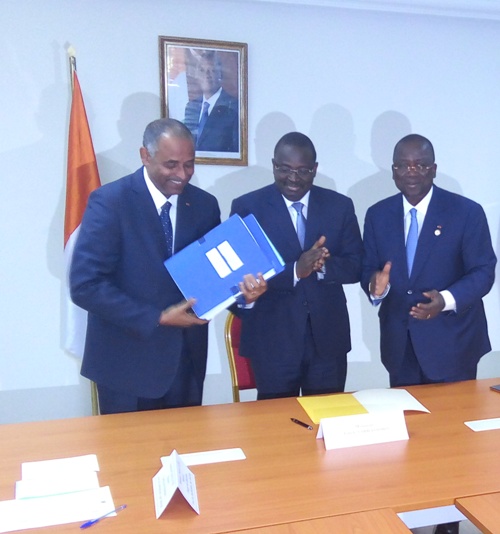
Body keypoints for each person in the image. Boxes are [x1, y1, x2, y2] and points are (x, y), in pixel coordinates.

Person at [70, 118, 265, 415]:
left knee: (183, 443)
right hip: (125, 366)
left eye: (189, 164)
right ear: (145, 156)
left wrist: (245, 297)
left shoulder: (204, 205)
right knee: (129, 446)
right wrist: (157, 318)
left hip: (185, 365)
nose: (182, 175)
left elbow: (213, 278)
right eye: (171, 165)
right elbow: (86, 285)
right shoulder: (110, 202)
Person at [362, 133, 496, 534]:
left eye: (420, 165)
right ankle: (415, 512)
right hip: (400, 344)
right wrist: (375, 287)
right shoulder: (378, 214)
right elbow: (370, 270)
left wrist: (447, 300)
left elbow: (484, 271)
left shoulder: (465, 212)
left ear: (434, 169)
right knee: (409, 438)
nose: (411, 172)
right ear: (392, 171)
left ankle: (449, 523)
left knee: (451, 442)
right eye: (403, 165)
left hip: (453, 343)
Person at [230, 132, 363, 399]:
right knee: (276, 421)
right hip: (272, 342)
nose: (293, 178)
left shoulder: (339, 206)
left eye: (303, 170)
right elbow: (240, 275)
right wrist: (295, 270)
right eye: (285, 169)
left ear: (315, 169)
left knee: (327, 418)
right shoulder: (248, 207)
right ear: (273, 165)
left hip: (327, 342)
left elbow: (356, 265)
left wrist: (322, 266)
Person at [184, 50, 239, 152]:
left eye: (212, 70)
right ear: (197, 76)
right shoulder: (191, 107)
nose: (207, 75)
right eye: (202, 70)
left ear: (220, 74)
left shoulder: (233, 107)